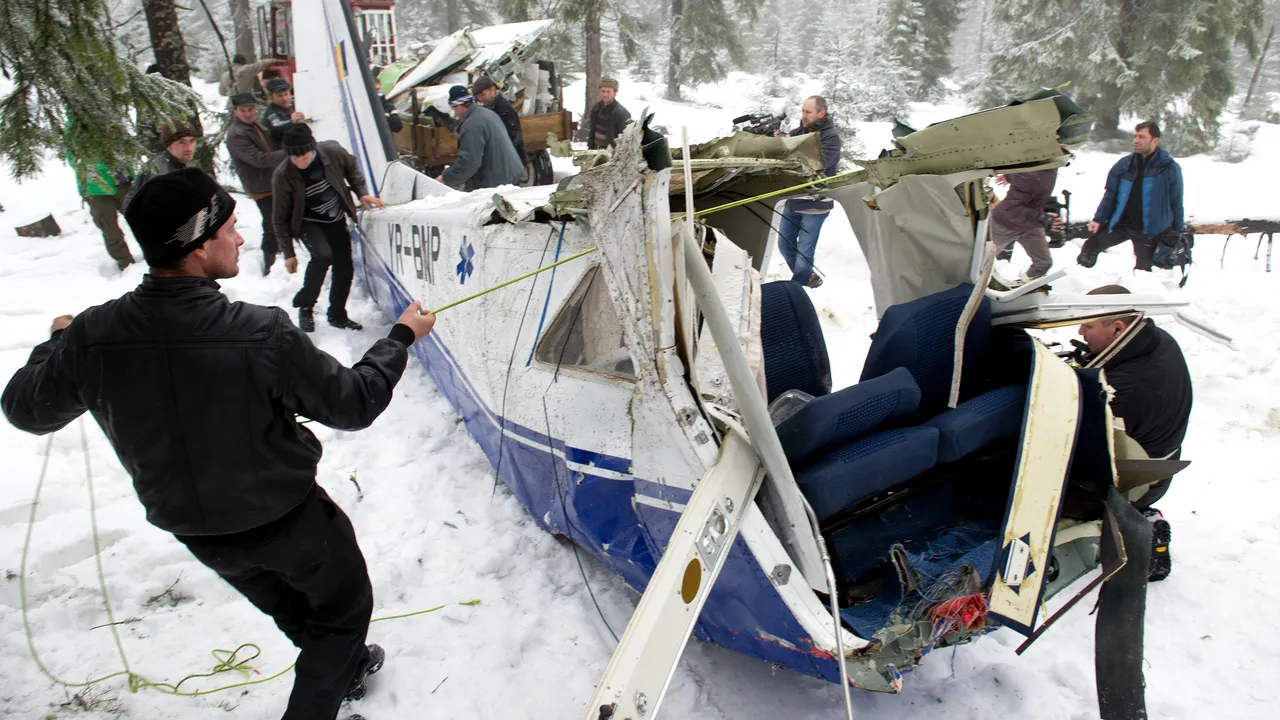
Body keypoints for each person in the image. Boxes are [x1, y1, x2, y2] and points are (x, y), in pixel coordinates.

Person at [1, 168, 437, 720]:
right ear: (198, 247)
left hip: (200, 534)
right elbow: (353, 403)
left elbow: (26, 410)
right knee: (341, 613)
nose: (240, 238)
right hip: (290, 524)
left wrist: (57, 344)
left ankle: (343, 668)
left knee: (292, 608)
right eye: (230, 228)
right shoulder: (261, 334)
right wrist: (399, 339)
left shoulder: (92, 335)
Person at [1077, 285, 1192, 581]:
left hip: (1137, 482)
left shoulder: (1124, 390)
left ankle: (1129, 525)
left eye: (1088, 326)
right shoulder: (1155, 339)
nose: (1079, 331)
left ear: (1117, 328)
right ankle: (1138, 518)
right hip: (1158, 465)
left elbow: (1074, 445)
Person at [273, 124, 386, 332]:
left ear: (313, 148)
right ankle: (306, 306)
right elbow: (279, 218)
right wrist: (288, 253)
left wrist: (361, 192)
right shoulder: (283, 175)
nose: (300, 162)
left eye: (305, 156)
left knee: (344, 268)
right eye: (295, 158)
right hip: (308, 222)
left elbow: (351, 167)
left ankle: (337, 315)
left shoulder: (332, 152)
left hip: (334, 217)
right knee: (323, 256)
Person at [1079, 121, 1184, 272]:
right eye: (1135, 136)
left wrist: (1178, 230)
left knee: (1144, 272)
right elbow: (1110, 195)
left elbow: (1176, 201)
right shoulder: (1124, 165)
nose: (1136, 140)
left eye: (1142, 137)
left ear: (1155, 140)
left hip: (1149, 230)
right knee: (1089, 248)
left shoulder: (1168, 168)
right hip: (1121, 225)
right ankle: (1080, 284)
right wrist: (1098, 219)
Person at [775, 95, 841, 289]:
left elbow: (821, 163)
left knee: (804, 253)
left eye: (808, 112)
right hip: (794, 199)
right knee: (784, 245)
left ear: (821, 113)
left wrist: (793, 149)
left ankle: (798, 290)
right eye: (802, 111)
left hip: (816, 204)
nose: (803, 115)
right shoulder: (798, 131)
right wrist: (781, 143)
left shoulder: (831, 137)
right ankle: (807, 277)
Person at [226, 93, 289, 275]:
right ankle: (269, 264)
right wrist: (289, 152)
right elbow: (259, 160)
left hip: (272, 181)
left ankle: (277, 257)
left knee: (278, 220)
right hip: (261, 185)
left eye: (251, 109)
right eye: (243, 110)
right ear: (235, 112)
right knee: (271, 222)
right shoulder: (236, 134)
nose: (248, 113)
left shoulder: (256, 126)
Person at [64, 119, 137, 270]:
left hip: (124, 183)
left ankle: (156, 254)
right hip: (97, 190)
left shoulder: (105, 115)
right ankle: (126, 264)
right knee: (111, 231)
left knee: (143, 222)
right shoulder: (73, 129)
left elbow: (126, 148)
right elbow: (76, 161)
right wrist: (105, 164)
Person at [434, 86, 525, 191]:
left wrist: (445, 177)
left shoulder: (472, 124)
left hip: (499, 181)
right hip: (510, 173)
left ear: (459, 106)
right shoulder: (486, 113)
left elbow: (469, 163)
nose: (454, 112)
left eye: (453, 108)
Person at [990, 169, 1062, 282]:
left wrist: (1008, 175)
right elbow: (1012, 209)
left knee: (1043, 263)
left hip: (1030, 225)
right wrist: (1043, 218)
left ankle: (1020, 290)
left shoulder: (1049, 168)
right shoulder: (1031, 175)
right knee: (981, 264)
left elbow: (1021, 172)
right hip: (1005, 225)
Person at [125, 120, 200, 207]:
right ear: (168, 145)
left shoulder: (174, 164)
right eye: (181, 142)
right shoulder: (163, 174)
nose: (189, 148)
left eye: (191, 141)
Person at [471, 76, 527, 179]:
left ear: (493, 90)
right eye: (478, 97)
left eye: (483, 95)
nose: (481, 99)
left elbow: (513, 136)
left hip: (509, 164)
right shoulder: (490, 108)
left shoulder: (502, 109)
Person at [586, 78, 631, 150]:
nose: (605, 94)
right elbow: (592, 132)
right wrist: (590, 148)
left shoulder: (621, 113)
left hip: (611, 154)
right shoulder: (596, 108)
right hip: (595, 151)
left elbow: (625, 139)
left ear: (615, 93)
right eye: (603, 91)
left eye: (608, 92)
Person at [218, 53, 289, 98]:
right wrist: (279, 61)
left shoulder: (224, 75)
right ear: (243, 61)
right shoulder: (246, 69)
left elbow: (222, 92)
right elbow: (263, 63)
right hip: (244, 101)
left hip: (231, 103)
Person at [264, 77, 305, 142]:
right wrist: (292, 121)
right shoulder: (271, 113)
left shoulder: (294, 104)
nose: (284, 98)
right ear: (271, 97)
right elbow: (277, 127)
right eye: (279, 96)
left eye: (286, 94)